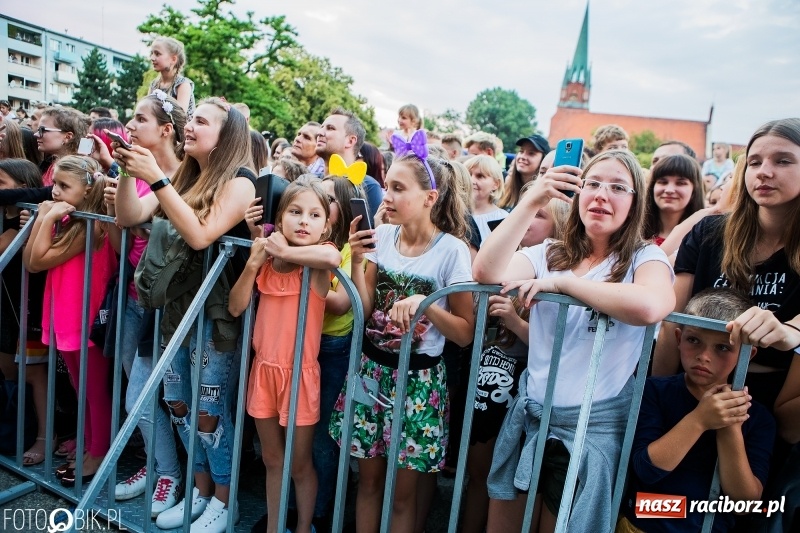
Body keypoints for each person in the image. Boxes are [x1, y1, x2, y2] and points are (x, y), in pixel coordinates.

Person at [473, 150, 675, 533]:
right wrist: (534, 197)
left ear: (635, 203)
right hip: (531, 421)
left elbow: (652, 306)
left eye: (618, 187)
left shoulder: (643, 257)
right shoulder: (549, 253)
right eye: (593, 184)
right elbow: (486, 271)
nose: (601, 195)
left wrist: (565, 285)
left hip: (589, 433)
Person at [114, 97, 255, 531]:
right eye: (190, 119)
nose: (188, 125)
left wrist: (156, 178)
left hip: (215, 319)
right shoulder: (184, 175)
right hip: (177, 313)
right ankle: (199, 489)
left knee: (209, 414)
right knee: (179, 406)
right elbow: (129, 217)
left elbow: (200, 235)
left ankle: (223, 499)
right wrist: (126, 173)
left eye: (200, 121)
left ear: (225, 136)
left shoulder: (240, 181)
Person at [330, 142, 475, 533]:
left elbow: (465, 333)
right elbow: (363, 308)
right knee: (370, 483)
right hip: (371, 372)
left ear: (429, 197)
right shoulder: (383, 235)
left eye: (399, 188)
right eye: (387, 185)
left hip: (419, 384)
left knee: (403, 496)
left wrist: (427, 305)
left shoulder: (452, 251)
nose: (387, 196)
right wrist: (358, 260)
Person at [652, 118, 800, 416]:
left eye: (783, 161)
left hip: (763, 404)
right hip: (690, 389)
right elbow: (672, 323)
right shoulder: (709, 233)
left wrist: (788, 333)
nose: (764, 172)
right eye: (754, 162)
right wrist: (656, 398)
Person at [229, 177, 341, 533]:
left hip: (299, 376)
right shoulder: (263, 260)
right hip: (264, 372)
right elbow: (235, 307)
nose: (303, 221)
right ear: (279, 218)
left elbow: (333, 254)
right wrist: (253, 262)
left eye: (313, 215)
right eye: (295, 212)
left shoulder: (317, 265)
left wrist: (282, 250)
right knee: (272, 458)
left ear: (326, 226)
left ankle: (304, 526)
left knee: (299, 464)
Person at [620, 288, 774, 533]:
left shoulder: (758, 417)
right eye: (694, 341)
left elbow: (745, 503)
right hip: (640, 526)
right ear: (679, 339)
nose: (704, 356)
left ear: (748, 353)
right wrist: (700, 420)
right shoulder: (652, 392)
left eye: (722, 348)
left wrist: (730, 426)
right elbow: (646, 470)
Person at [98, 93, 186, 517]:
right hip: (135, 296)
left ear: (166, 130)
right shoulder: (140, 168)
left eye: (139, 119)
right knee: (145, 397)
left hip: (167, 306)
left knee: (150, 399)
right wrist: (120, 178)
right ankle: (158, 468)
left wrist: (144, 177)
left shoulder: (186, 173)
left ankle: (182, 478)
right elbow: (126, 221)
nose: (129, 125)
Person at [463, 190, 569, 533]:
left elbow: (558, 349)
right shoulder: (510, 259)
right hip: (488, 379)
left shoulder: (560, 272)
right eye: (527, 211)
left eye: (539, 215)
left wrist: (515, 322)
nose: (527, 220)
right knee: (477, 474)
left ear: (560, 227)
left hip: (523, 397)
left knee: (503, 478)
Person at [22, 155, 118, 487]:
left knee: (94, 390)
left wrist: (44, 219)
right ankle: (88, 439)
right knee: (80, 387)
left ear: (87, 188)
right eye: (54, 185)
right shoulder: (67, 218)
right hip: (64, 313)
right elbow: (30, 260)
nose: (55, 193)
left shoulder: (92, 225)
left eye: (64, 186)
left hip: (85, 318)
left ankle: (98, 451)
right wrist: (45, 219)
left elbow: (37, 261)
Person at [0, 159, 47, 466]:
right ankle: (17, 428)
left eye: (1, 183)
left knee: (32, 372)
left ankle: (45, 435)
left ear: (21, 188)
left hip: (24, 307)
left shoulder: (34, 218)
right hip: (4, 308)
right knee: (7, 370)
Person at [315, 107, 383, 221]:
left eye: (330, 128)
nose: (320, 132)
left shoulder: (368, 186)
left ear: (350, 141)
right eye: (321, 127)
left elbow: (367, 235)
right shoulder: (309, 179)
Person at [642, 154, 705, 246]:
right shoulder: (632, 231)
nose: (669, 190)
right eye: (663, 182)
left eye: (680, 183)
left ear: (694, 190)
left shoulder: (704, 238)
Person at [34, 107, 88, 186]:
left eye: (43, 130)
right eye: (38, 130)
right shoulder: (49, 162)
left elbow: (45, 193)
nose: (36, 134)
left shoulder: (75, 170)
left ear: (68, 137)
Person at [499, 135, 552, 211]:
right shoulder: (506, 189)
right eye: (521, 151)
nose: (523, 157)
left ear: (543, 160)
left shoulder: (544, 198)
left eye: (531, 153)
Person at [148, 36, 195, 117]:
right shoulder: (154, 85)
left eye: (157, 54)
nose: (152, 58)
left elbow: (180, 117)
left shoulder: (182, 85)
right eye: (151, 53)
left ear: (173, 59)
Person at [465, 155, 507, 244]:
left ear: (496, 184)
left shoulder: (503, 218)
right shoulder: (454, 213)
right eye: (468, 174)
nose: (471, 180)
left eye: (480, 176)